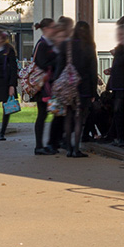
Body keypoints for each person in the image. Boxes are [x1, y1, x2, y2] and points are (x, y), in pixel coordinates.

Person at [53, 19, 99, 158]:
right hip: (83, 88)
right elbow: (93, 71)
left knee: (68, 117)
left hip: (68, 87)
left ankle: (68, 148)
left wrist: (57, 85)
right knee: (79, 119)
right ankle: (76, 149)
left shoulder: (66, 45)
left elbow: (59, 67)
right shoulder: (89, 47)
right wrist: (93, 91)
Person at [29, 19, 59, 156]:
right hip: (44, 86)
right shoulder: (43, 45)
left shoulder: (46, 43)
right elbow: (41, 63)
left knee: (48, 113)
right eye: (53, 27)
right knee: (43, 114)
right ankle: (40, 146)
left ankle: (45, 144)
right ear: (46, 29)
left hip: (47, 85)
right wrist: (56, 60)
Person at [104, 19, 124, 148]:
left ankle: (121, 137)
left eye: (122, 35)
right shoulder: (120, 49)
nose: (119, 37)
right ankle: (116, 136)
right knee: (117, 111)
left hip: (123, 85)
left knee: (120, 111)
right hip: (117, 85)